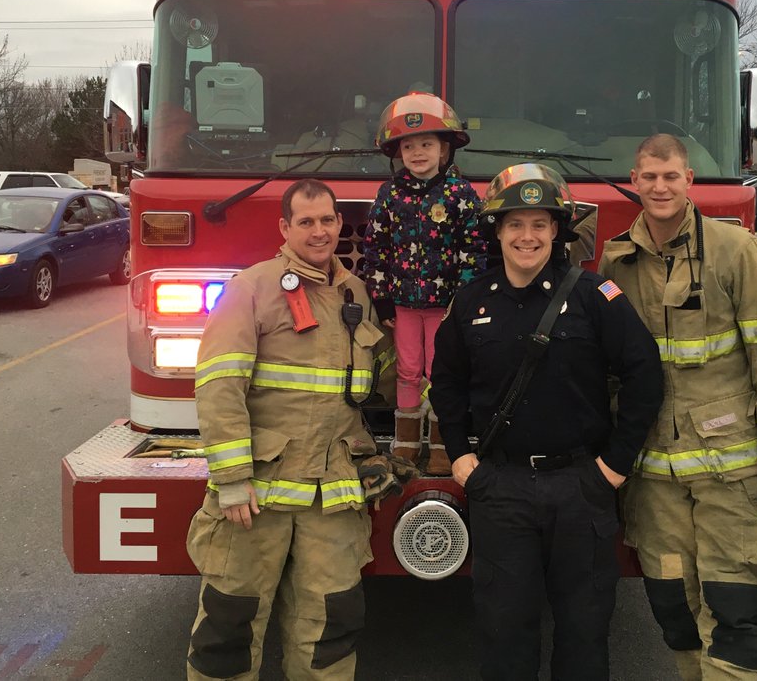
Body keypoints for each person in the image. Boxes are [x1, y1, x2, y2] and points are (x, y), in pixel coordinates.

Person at [430, 163, 664, 681]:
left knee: (584, 636)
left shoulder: (594, 297)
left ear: (557, 230)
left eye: (539, 224)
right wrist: (463, 458)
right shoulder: (471, 302)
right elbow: (444, 384)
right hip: (502, 488)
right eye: (514, 224)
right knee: (504, 635)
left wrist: (615, 467)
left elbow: (644, 374)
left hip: (581, 487)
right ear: (498, 230)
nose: (527, 236)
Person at [597, 134, 757, 680]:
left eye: (670, 176)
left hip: (732, 475)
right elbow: (606, 371)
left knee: (737, 618)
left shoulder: (737, 252)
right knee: (675, 614)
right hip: (652, 478)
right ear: (635, 181)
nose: (659, 187)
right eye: (649, 176)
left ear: (689, 181)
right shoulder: (616, 261)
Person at [185, 179, 386, 681]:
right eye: (306, 222)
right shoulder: (251, 287)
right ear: (285, 227)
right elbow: (219, 384)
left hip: (332, 496)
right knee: (229, 627)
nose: (319, 232)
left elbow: (366, 387)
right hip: (258, 494)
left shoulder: (354, 291)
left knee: (331, 627)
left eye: (327, 221)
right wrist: (231, 480)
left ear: (340, 224)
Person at [362, 92, 485, 475]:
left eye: (427, 144)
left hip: (445, 306)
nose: (418, 152)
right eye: (409, 145)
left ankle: (443, 443)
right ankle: (405, 442)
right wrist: (381, 300)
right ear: (399, 152)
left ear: (444, 150)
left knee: (441, 372)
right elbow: (375, 247)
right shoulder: (389, 194)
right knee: (407, 370)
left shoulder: (461, 195)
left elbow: (475, 249)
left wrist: (462, 301)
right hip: (402, 306)